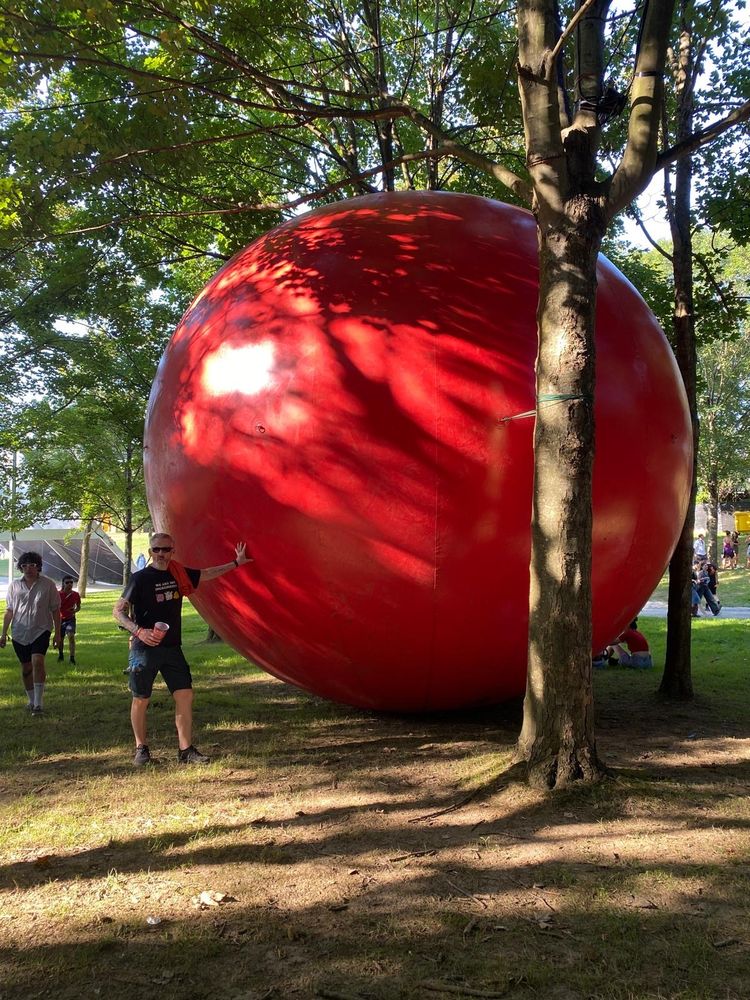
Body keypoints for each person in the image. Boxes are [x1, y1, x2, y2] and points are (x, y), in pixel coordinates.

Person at [113, 532, 251, 766]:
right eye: (156, 550)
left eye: (165, 549)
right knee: (141, 699)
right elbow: (118, 611)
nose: (161, 554)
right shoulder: (140, 578)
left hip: (172, 648)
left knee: (185, 695)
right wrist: (138, 631)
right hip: (144, 648)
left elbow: (206, 574)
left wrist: (236, 563)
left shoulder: (178, 573)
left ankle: (185, 750)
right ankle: (141, 749)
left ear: (172, 551)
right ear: (150, 552)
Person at [0, 552, 61, 715]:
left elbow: (55, 610)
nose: (28, 568)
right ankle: (31, 699)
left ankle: (39, 704)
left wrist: (58, 634)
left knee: (37, 661)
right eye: (25, 565)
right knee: (26, 667)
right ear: (20, 567)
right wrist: (3, 633)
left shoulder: (48, 585)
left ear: (38, 567)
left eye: (32, 565)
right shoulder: (14, 586)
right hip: (19, 632)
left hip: (41, 629)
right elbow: (10, 610)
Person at [58, 575, 81, 665]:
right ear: (63, 584)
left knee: (71, 636)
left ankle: (72, 658)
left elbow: (78, 607)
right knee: (61, 638)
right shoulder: (58, 594)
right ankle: (61, 655)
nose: (70, 584)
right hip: (59, 620)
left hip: (70, 619)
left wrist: (74, 610)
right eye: (67, 582)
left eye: (71, 582)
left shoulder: (75, 595)